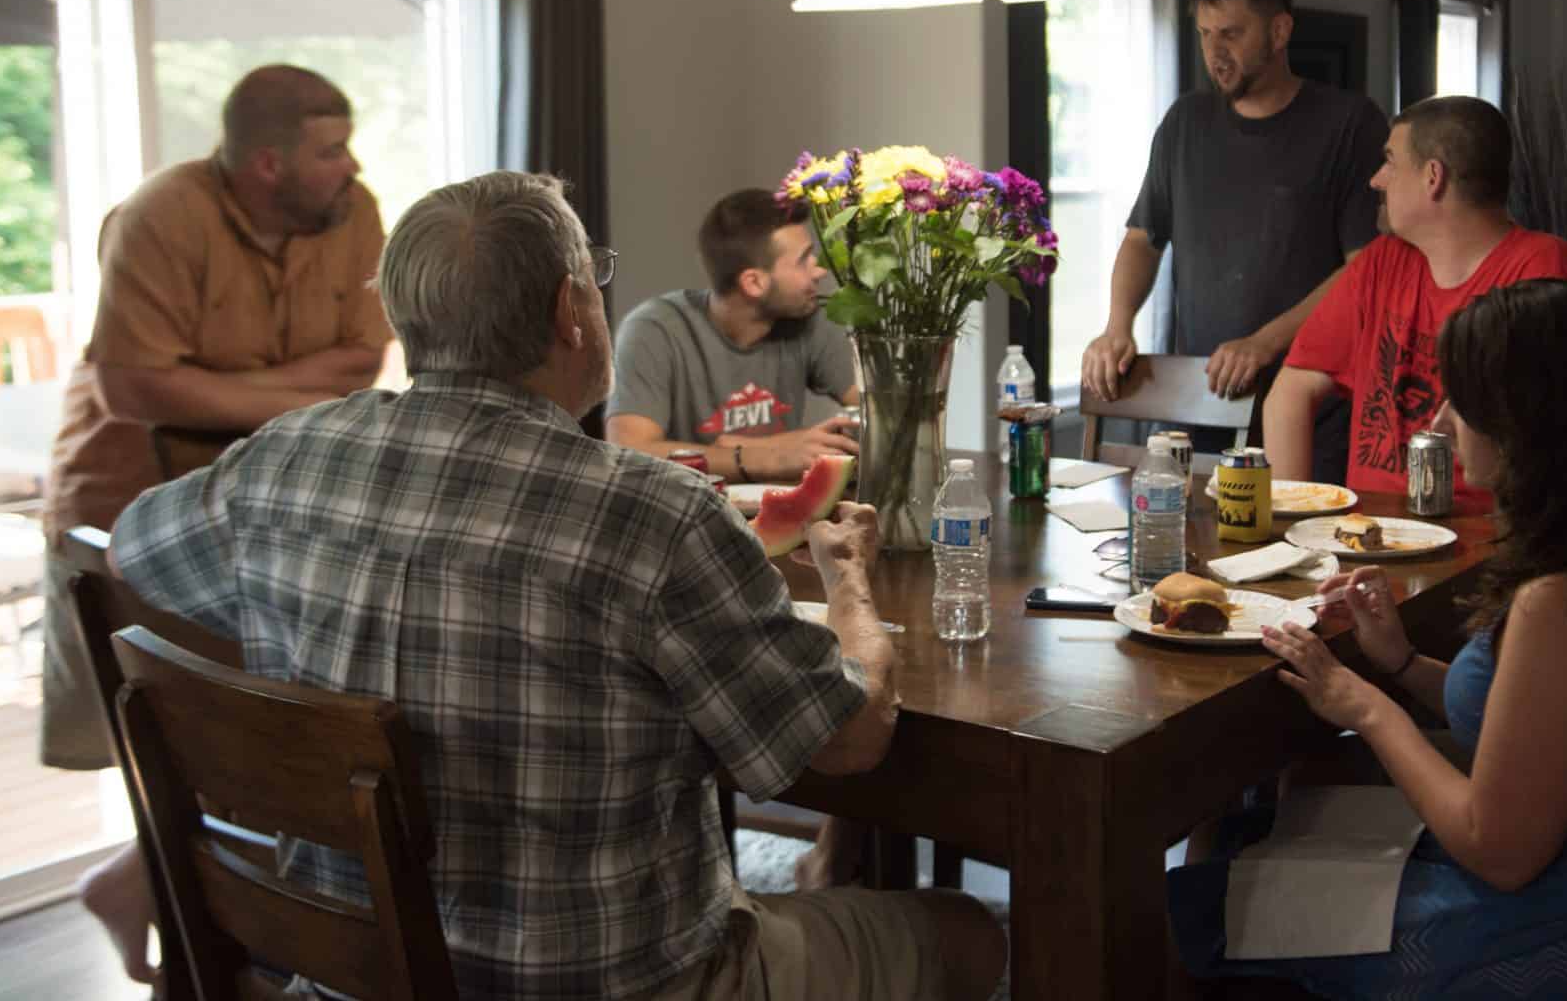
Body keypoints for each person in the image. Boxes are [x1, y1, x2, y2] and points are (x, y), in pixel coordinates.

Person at [105, 171, 1006, 999]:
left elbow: (131, 553)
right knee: (970, 934)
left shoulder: (285, 456)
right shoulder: (654, 513)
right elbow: (845, 743)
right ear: (572, 308)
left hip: (355, 973)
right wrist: (850, 586)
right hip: (623, 987)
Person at [1170, 279, 1567, 997]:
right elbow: (1540, 725)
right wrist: (1402, 664)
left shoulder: (1566, 604)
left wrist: (1366, 707)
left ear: (1523, 424)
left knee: (1188, 909)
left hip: (1547, 925)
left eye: (1459, 400)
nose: (1440, 422)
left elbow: (1498, 851)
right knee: (1247, 838)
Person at [44, 65, 391, 972]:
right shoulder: (160, 217)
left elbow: (361, 362)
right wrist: (289, 400)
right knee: (203, 732)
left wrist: (216, 394)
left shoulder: (353, 212)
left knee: (264, 730)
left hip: (271, 502)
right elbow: (132, 389)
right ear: (267, 164)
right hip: (131, 502)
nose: (350, 167)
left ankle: (155, 899)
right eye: (329, 150)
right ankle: (195, 921)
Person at [1079, 0, 1387, 470]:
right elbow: (1142, 238)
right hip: (1197, 407)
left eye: (1231, 34)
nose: (1215, 53)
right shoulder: (1185, 123)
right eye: (1204, 35)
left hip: (1313, 410)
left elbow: (1365, 269)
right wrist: (1117, 326)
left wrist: (1264, 343)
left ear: (1280, 30)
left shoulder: (1349, 124)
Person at [1263, 96, 1567, 509]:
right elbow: (1291, 390)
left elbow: (1552, 439)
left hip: (1481, 542)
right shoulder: (1381, 262)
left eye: (1391, 162)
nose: (1377, 180)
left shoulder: (1543, 265)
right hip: (1369, 536)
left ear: (1433, 176)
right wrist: (1288, 525)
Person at [608, 188, 859, 483]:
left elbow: (880, 408)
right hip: (688, 514)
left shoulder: (808, 317)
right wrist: (766, 457)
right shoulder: (655, 330)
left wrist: (739, 446)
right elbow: (629, 452)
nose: (818, 271)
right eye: (804, 260)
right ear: (753, 282)